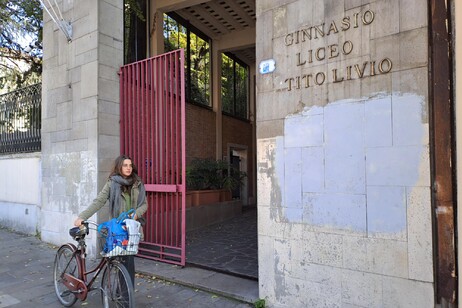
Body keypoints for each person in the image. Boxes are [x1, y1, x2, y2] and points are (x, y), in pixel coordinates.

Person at [74, 155, 148, 286]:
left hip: (131, 229)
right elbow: (99, 201)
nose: (128, 168)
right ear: (119, 167)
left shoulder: (138, 183)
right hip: (117, 230)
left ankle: (125, 298)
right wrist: (82, 217)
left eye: (130, 165)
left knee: (128, 264)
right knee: (117, 262)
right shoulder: (112, 183)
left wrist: (136, 214)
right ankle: (117, 293)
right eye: (125, 165)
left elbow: (144, 204)